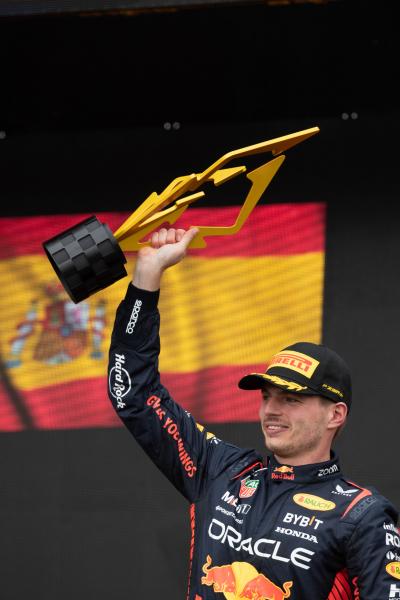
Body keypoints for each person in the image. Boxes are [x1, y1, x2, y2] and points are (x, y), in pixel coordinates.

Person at [107, 227, 399, 600]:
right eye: (266, 396)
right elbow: (132, 392)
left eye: (291, 399)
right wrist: (147, 278)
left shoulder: (361, 515)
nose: (271, 410)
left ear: (335, 415)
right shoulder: (219, 471)